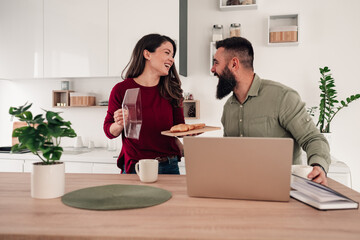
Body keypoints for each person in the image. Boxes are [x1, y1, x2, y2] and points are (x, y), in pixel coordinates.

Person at [211, 37, 331, 185]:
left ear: (234, 64)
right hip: (240, 188)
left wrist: (318, 166)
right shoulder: (228, 107)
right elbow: (230, 153)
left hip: (284, 190)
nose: (212, 69)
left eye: (216, 62)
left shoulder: (283, 97)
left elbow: (313, 138)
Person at [103, 33, 184, 174]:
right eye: (167, 53)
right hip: (136, 167)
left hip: (168, 165)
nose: (171, 59)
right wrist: (119, 123)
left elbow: (179, 128)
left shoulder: (172, 90)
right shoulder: (121, 89)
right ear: (147, 54)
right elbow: (109, 131)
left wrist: (189, 135)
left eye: (172, 56)